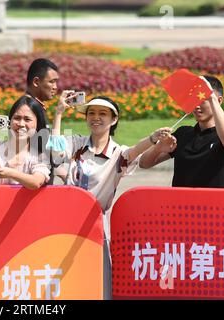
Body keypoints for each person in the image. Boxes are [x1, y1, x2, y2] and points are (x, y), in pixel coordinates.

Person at [50, 92, 173, 299]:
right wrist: (59, 113)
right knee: (64, 283)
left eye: (102, 114)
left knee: (99, 283)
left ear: (113, 119)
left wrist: (152, 139)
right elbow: (54, 153)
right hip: (66, 225)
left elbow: (133, 152)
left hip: (96, 227)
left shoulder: (117, 153)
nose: (96, 118)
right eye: (92, 113)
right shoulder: (76, 143)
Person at [139, 75, 224, 188]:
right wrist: (158, 148)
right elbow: (144, 163)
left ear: (219, 101)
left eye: (203, 100)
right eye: (195, 99)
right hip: (179, 204)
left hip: (213, 204)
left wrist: (212, 98)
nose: (197, 106)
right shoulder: (182, 133)